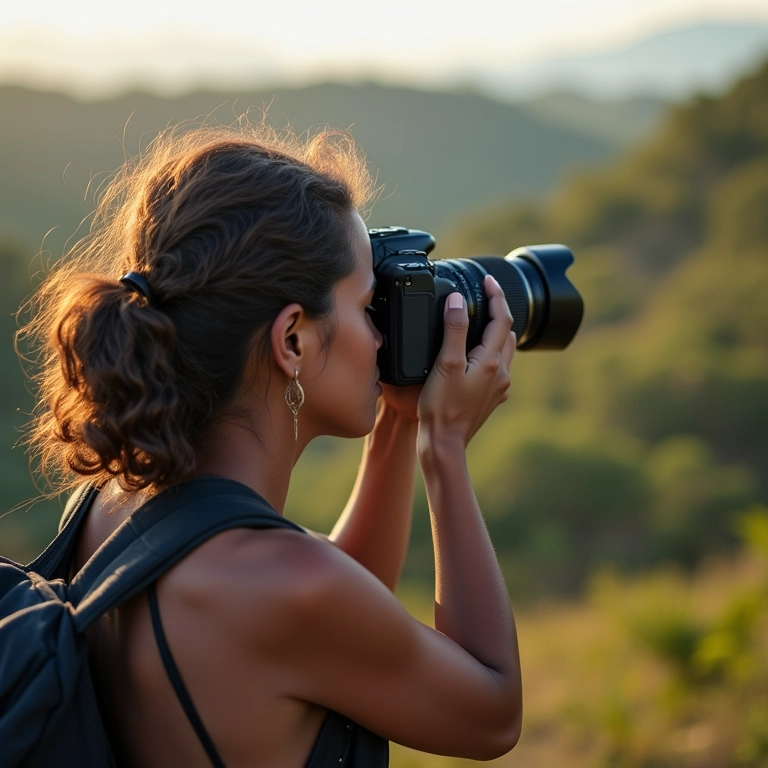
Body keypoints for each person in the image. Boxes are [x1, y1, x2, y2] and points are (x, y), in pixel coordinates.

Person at [23, 123, 521, 767]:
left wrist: (399, 421)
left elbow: (342, 617)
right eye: (369, 306)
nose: (381, 336)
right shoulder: (284, 587)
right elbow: (492, 714)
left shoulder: (110, 504)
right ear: (292, 340)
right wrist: (444, 449)